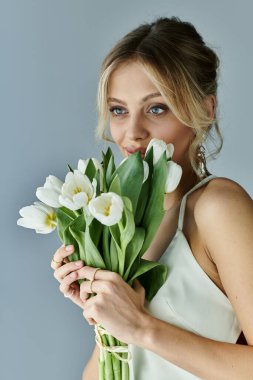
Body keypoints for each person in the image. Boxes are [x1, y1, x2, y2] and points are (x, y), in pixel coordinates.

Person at [51, 17, 253, 379]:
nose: (133, 133)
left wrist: (142, 327)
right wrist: (101, 313)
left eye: (156, 108)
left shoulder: (217, 206)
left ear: (205, 111)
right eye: (118, 110)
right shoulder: (131, 226)